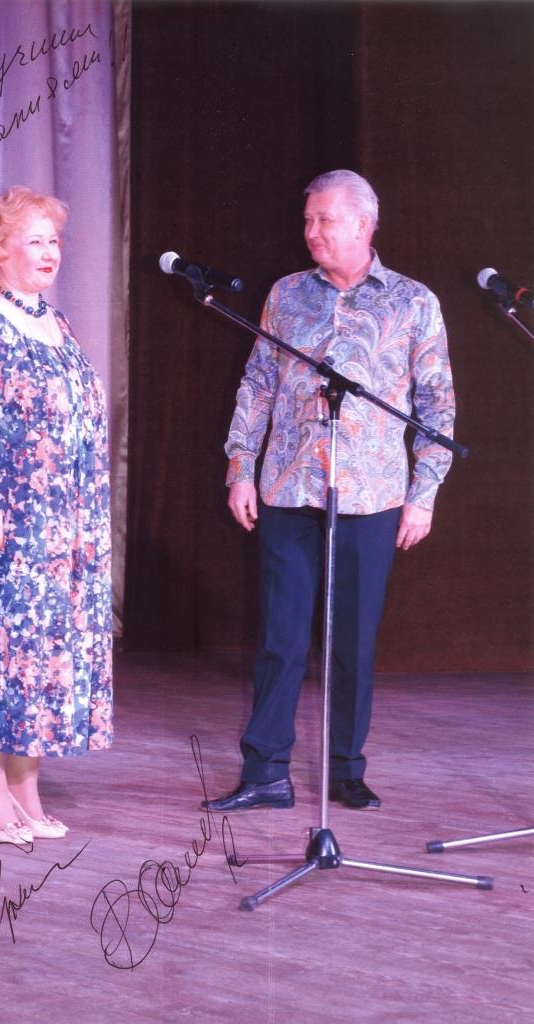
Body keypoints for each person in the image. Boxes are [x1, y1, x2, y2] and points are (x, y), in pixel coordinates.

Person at [204, 169, 455, 813]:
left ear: (364, 224)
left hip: (372, 496)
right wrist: (240, 467)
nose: (311, 231)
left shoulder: (412, 302)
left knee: (353, 643)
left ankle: (346, 769)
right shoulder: (287, 294)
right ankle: (266, 772)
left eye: (325, 220)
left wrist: (423, 493)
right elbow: (258, 383)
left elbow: (437, 405)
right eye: (308, 220)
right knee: (280, 637)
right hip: (289, 486)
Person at [0, 186, 113, 847]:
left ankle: (26, 787)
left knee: (39, 660)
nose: (49, 251)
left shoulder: (54, 322)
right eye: (34, 240)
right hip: (0, 523)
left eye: (54, 240)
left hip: (60, 527)